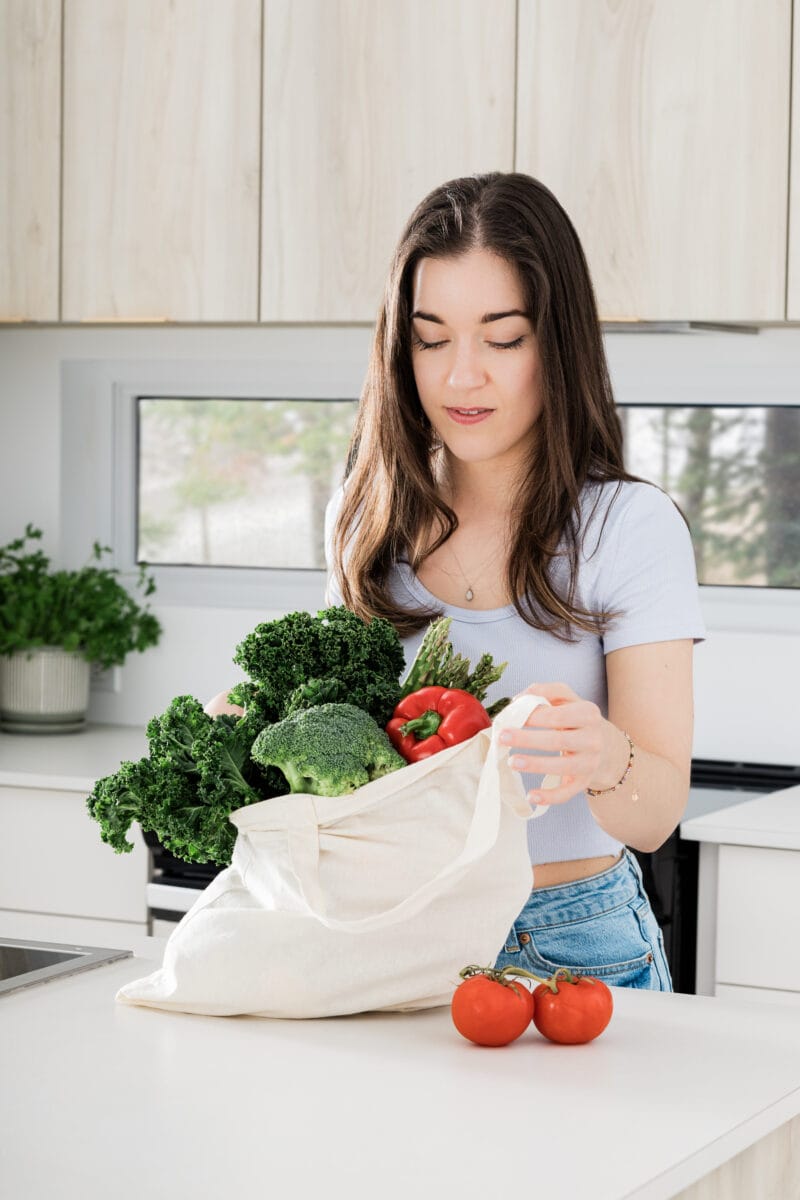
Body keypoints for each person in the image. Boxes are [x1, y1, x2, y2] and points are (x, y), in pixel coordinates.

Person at [322, 172, 705, 991]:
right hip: (397, 936)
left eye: (502, 338)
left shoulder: (627, 529)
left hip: (573, 948)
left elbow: (656, 814)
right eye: (432, 338)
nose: (462, 377)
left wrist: (605, 754)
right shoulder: (367, 520)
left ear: (556, 343)